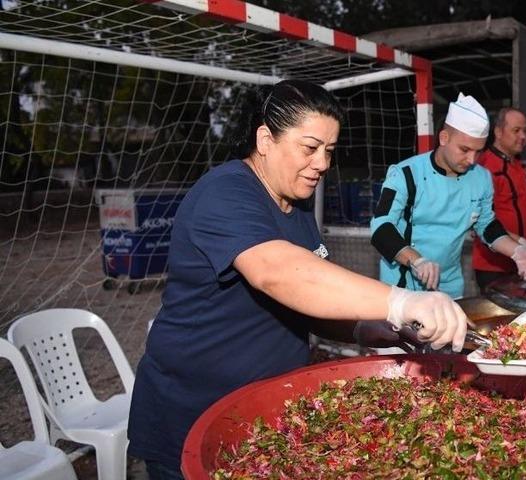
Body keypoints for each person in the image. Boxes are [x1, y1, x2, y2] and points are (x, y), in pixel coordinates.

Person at [128, 80, 469, 479]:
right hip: (192, 413)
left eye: (329, 151)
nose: (322, 164)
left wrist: (374, 329)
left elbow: (307, 304)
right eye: (309, 148)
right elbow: (276, 273)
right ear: (265, 139)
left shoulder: (297, 204)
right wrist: (401, 301)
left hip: (262, 417)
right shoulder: (225, 192)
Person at [370, 93, 526, 299]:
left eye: (478, 152)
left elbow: (487, 225)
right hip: (404, 283)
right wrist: (417, 260)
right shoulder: (406, 174)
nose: (471, 159)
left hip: (449, 284)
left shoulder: (482, 178)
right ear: (444, 138)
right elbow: (381, 227)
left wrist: (517, 251)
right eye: (465, 149)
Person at [471, 107, 526, 291]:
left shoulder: (516, 163)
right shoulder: (486, 167)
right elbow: (482, 220)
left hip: (520, 261)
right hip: (493, 265)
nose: (523, 136)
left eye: (525, 131)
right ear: (498, 132)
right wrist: (519, 244)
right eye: (516, 131)